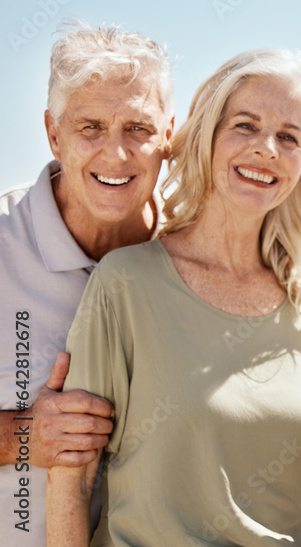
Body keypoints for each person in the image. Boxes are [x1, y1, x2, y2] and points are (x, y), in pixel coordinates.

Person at [46, 49, 301, 545]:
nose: (267, 149)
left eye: (288, 137)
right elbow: (74, 474)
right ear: (205, 135)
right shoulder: (125, 283)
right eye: (245, 125)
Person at [0, 23, 173, 545]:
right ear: (54, 134)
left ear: (170, 135)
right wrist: (23, 438)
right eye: (90, 127)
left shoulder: (200, 257)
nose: (116, 155)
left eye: (138, 129)